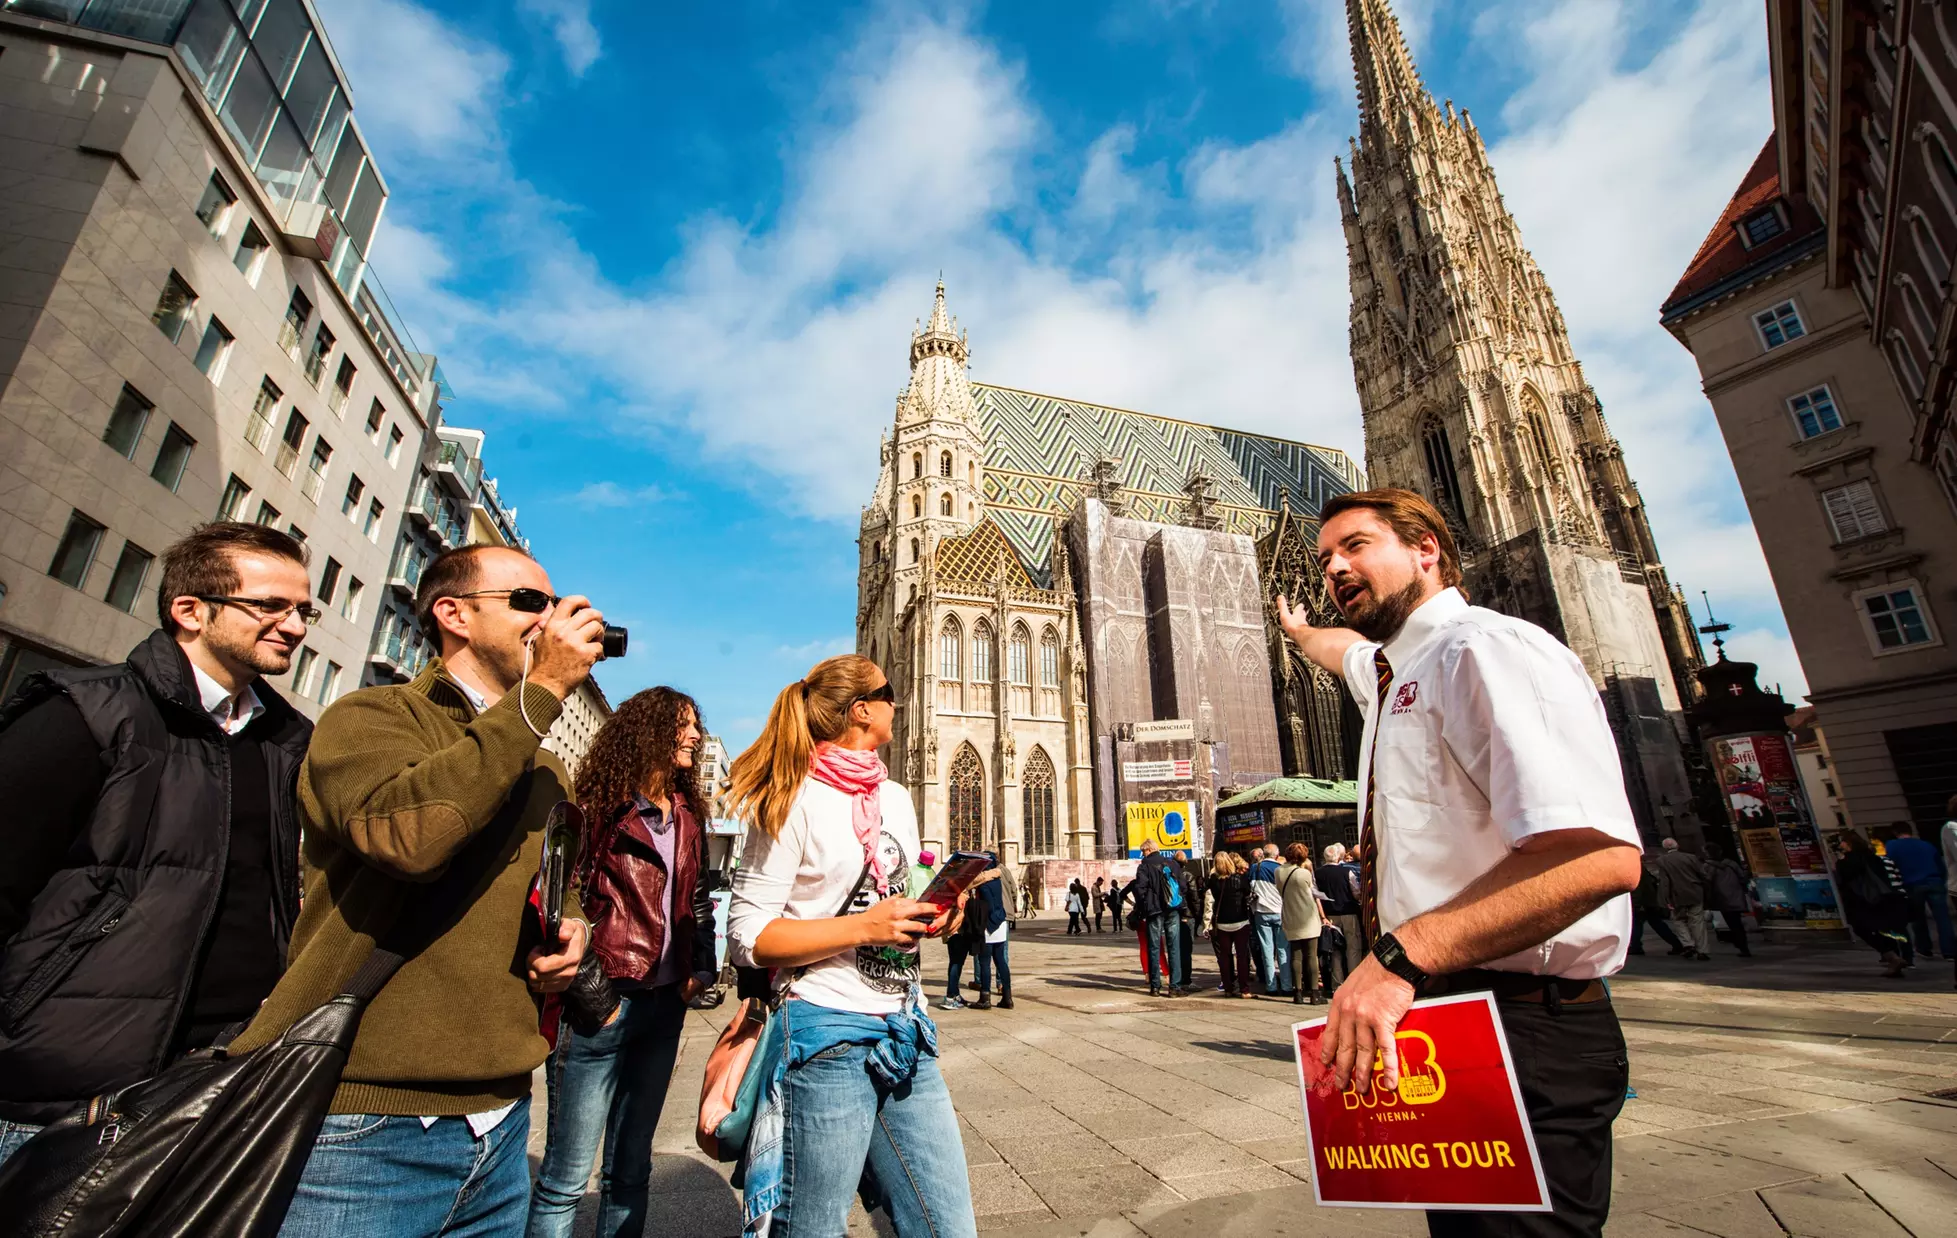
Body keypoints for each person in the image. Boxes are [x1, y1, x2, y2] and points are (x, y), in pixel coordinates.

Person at [1276, 487, 1643, 1237]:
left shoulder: (1483, 648)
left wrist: (1395, 960)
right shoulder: (1391, 671)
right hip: (1452, 1025)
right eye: (1324, 560)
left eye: (1356, 546)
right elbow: (1344, 652)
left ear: (1425, 549)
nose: (1335, 567)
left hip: (1524, 1028)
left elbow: (1598, 858)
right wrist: (1299, 630)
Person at [224, 544, 600, 1235]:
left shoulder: (546, 766)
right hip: (366, 1123)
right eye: (528, 603)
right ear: (453, 614)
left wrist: (570, 931)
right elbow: (409, 839)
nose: (550, 621)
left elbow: (551, 887)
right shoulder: (371, 716)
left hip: (501, 1121)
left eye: (552, 604)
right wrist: (540, 692)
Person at [0, 523, 316, 1164]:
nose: (295, 626)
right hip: (56, 1101)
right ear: (190, 611)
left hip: (213, 1088)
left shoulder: (288, 741)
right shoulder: (86, 713)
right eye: (270, 606)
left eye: (303, 609)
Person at [725, 654, 977, 1237]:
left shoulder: (894, 798)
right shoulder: (791, 796)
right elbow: (747, 936)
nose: (900, 699)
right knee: (810, 1228)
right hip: (824, 1033)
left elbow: (895, 890)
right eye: (889, 691)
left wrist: (938, 911)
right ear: (862, 710)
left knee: (947, 1227)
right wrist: (866, 927)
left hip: (904, 1029)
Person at [527, 689, 718, 1238]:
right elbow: (562, 896)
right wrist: (595, 995)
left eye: (695, 726)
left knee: (631, 1170)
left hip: (662, 1009)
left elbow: (697, 898)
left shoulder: (685, 812)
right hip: (600, 1008)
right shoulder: (600, 806)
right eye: (683, 726)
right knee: (565, 1178)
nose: (694, 736)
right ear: (650, 732)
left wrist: (699, 971)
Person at [1836, 831, 1915, 977]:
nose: (1841, 845)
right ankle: (1900, 958)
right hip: (1882, 898)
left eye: (1843, 842)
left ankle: (1892, 957)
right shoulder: (1874, 858)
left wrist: (1840, 861)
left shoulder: (1847, 861)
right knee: (1886, 928)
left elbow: (1843, 880)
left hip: (1860, 901)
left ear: (1849, 844)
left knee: (1863, 928)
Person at [1885, 822, 1954, 960]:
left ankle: (1924, 948)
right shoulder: (1926, 845)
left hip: (1911, 885)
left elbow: (1891, 865)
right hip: (1934, 882)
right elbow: (1940, 865)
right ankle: (1950, 951)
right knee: (1943, 919)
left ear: (1895, 832)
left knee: (1918, 919)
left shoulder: (1892, 846)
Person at [1134, 839, 1186, 996]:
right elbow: (1183, 886)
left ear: (1149, 850)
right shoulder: (1172, 864)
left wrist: (1144, 906)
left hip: (1154, 911)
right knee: (1174, 947)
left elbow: (1139, 889)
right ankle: (1175, 986)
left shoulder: (1144, 866)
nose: (1143, 854)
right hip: (1172, 909)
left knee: (1154, 947)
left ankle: (1155, 986)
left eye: (1143, 851)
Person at [1278, 843, 1325, 1005]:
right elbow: (1314, 892)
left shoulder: (1279, 872)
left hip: (1290, 915)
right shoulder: (1304, 873)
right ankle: (1314, 993)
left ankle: (1297, 992)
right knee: (1312, 955)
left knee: (1296, 956)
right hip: (1308, 916)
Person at [1315, 842, 1364, 993]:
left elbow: (1316, 895)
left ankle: (1338, 985)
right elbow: (1356, 891)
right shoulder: (1346, 872)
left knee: (1335, 950)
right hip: (1348, 911)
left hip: (1330, 915)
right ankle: (1354, 983)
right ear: (1337, 858)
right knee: (1353, 948)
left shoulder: (1317, 874)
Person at [1205, 853, 1254, 997]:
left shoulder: (1214, 880)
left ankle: (1228, 988)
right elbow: (1248, 893)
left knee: (1225, 956)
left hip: (1222, 922)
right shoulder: (1239, 878)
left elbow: (1211, 894)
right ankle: (1244, 989)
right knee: (1242, 955)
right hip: (1240, 920)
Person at [1653, 838, 1710, 961]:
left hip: (1676, 895)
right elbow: (1703, 874)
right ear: (1677, 845)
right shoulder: (1690, 857)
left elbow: (1665, 882)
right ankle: (1702, 950)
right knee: (1697, 921)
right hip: (1695, 892)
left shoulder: (1662, 861)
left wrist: (1666, 899)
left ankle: (1688, 943)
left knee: (1678, 919)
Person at [970, 854, 1013, 1009]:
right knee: (1001, 960)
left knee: (985, 962)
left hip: (988, 924)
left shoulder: (983, 882)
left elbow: (971, 885)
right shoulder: (997, 880)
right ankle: (1007, 998)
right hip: (1000, 922)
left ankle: (985, 998)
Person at [1249, 845, 1289, 996]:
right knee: (1283, 949)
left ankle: (1271, 985)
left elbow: (1252, 887)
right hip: (1279, 911)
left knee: (1267, 950)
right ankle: (1286, 985)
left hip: (1261, 911)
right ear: (1277, 855)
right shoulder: (1281, 868)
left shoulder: (1255, 868)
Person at [1628, 851, 1686, 956]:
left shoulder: (1635, 868)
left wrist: (1636, 904)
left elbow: (1637, 888)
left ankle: (1636, 947)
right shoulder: (1641, 868)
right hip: (1649, 901)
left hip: (1643, 902)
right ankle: (1676, 944)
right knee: (1655, 924)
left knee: (1639, 924)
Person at [1702, 843, 1753, 959]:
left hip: (1721, 898)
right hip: (1736, 896)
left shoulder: (1707, 866)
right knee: (1737, 923)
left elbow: (1706, 883)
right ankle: (1742, 945)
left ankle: (1740, 945)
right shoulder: (1731, 864)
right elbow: (1742, 878)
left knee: (1732, 923)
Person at [1175, 850, 1200, 990]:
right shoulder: (1187, 875)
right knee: (1186, 949)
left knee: (1174, 948)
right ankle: (1186, 979)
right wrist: (1197, 915)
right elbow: (1194, 897)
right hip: (1187, 915)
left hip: (1173, 915)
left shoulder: (1169, 874)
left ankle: (1176, 978)